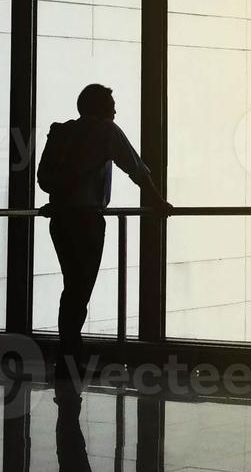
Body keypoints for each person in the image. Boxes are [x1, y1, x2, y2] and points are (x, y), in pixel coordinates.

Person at [37, 84, 170, 378]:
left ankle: (67, 358)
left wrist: (61, 197)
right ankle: (69, 361)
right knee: (79, 290)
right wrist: (158, 202)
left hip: (60, 219)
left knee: (72, 288)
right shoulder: (106, 132)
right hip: (86, 220)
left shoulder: (61, 133)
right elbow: (137, 169)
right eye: (110, 103)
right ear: (98, 108)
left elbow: (43, 179)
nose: (115, 109)